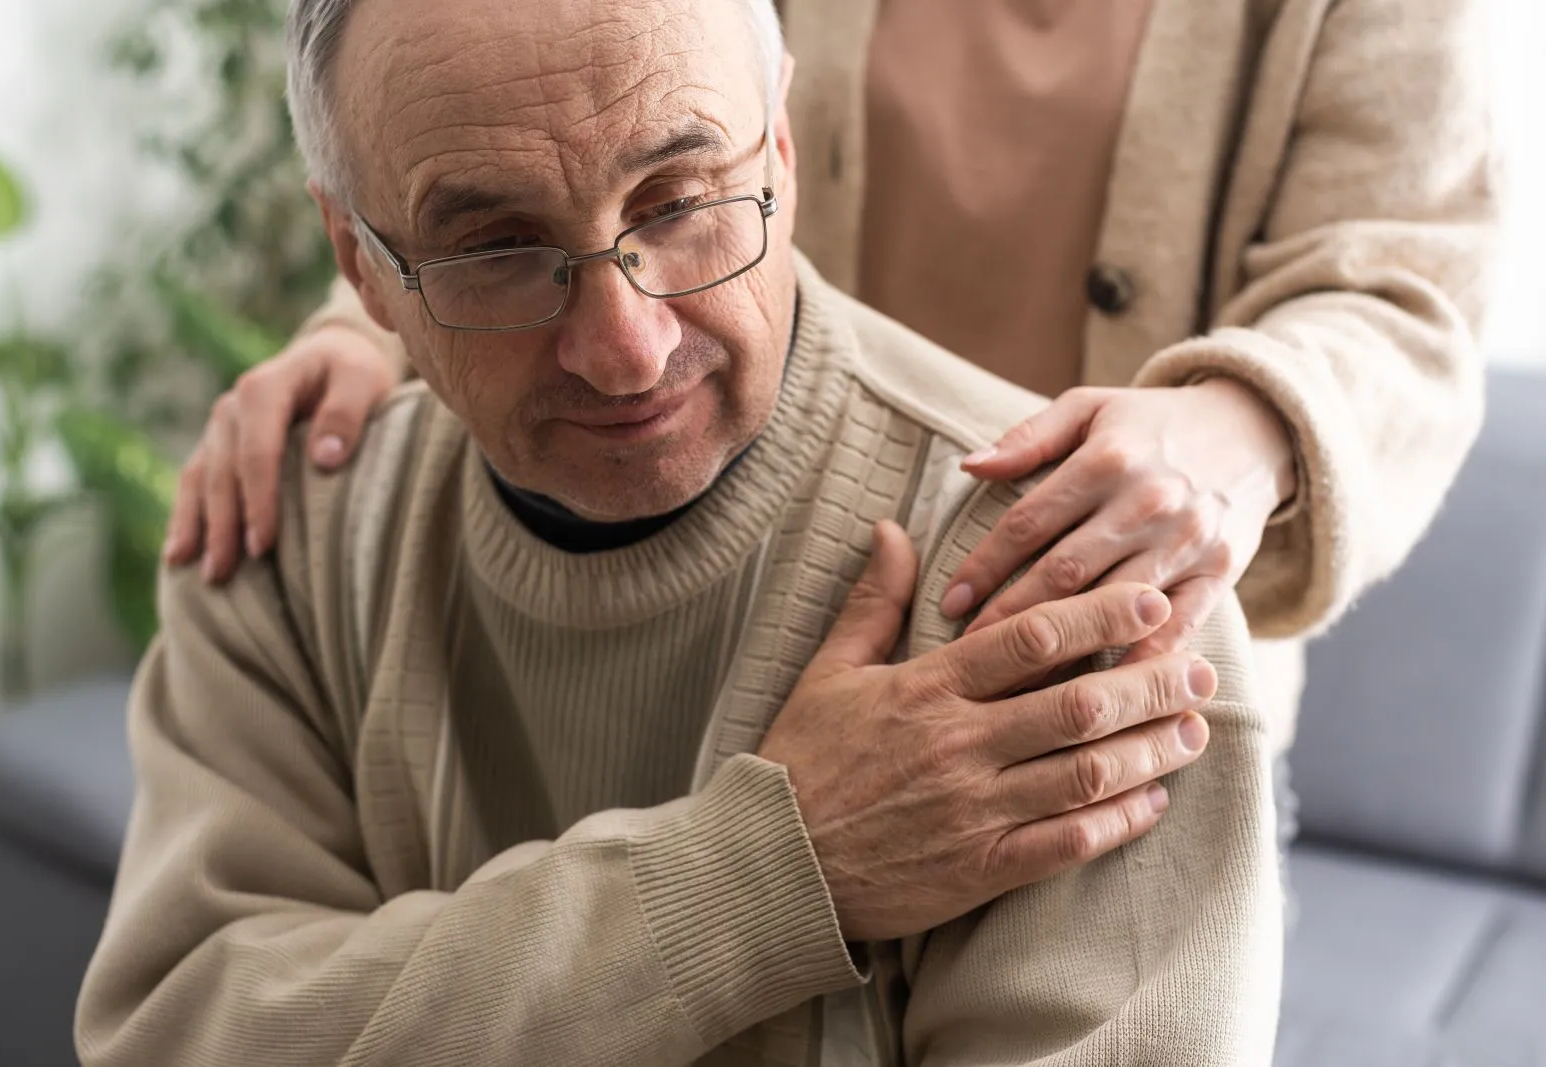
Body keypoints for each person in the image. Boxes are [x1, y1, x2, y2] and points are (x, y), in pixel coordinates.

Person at [75, 0, 1282, 1064]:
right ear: (360, 262)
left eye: (682, 199)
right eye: (499, 246)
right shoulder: (281, 539)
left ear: (783, 151)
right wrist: (758, 872)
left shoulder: (1089, 594)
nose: (626, 350)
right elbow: (180, 1033)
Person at [164, 0, 1498, 758]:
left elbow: (1407, 283)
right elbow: (576, 125)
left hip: (1109, 627)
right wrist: (359, 323)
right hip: (745, 611)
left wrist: (1246, 421)